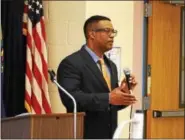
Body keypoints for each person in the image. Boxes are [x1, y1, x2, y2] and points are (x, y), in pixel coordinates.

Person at [57, 15, 137, 139]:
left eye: (113, 32)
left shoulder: (111, 65)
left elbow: (112, 104)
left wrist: (124, 92)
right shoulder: (71, 63)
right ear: (92, 34)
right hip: (84, 134)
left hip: (110, 135)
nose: (112, 35)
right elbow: (71, 99)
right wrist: (109, 98)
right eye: (107, 31)